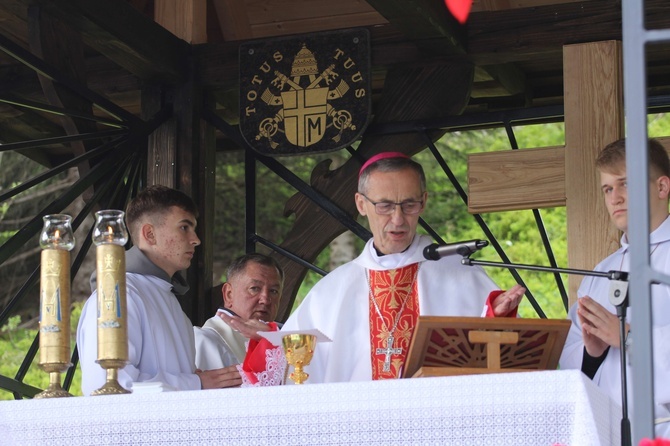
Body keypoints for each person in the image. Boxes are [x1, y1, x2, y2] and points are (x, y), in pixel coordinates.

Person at [274, 152, 526, 383]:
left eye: (409, 205)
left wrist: (497, 319)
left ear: (423, 202)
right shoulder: (331, 291)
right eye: (384, 206)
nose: (397, 219)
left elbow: (502, 359)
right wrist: (263, 342)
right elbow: (285, 369)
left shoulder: (458, 273)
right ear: (361, 205)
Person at [77, 185, 240, 394]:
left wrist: (194, 380)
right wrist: (196, 383)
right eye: (184, 227)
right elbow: (108, 387)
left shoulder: (171, 302)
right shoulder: (118, 295)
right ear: (150, 234)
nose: (196, 240)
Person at [559, 138, 670, 437]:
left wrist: (629, 337)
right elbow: (569, 358)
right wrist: (592, 352)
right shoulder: (600, 272)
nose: (615, 198)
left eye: (625, 184)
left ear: (662, 188)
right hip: (606, 431)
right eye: (608, 189)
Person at [194, 253, 284, 385]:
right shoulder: (205, 341)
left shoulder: (283, 335)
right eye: (254, 288)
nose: (265, 299)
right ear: (229, 294)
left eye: (274, 291)